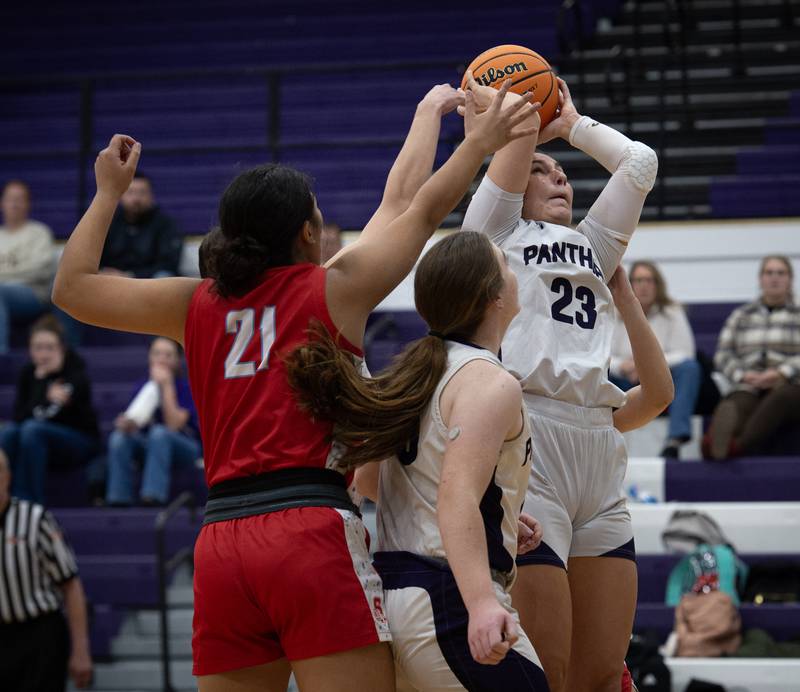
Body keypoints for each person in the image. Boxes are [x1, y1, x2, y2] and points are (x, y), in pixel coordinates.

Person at [51, 81, 537, 691]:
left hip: (222, 542)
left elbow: (71, 289)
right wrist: (476, 145)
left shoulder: (192, 303)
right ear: (308, 232)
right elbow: (418, 210)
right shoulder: (334, 291)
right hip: (308, 529)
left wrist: (107, 193)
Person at [461, 73, 660, 692]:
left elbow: (639, 163)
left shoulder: (594, 248)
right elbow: (517, 137)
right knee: (549, 672)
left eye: (564, 171)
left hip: (599, 445)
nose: (560, 178)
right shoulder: (493, 236)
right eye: (542, 170)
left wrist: (572, 125)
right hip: (531, 440)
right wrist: (522, 115)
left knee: (600, 676)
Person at [287, 231, 550, 690]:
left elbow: (373, 480)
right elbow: (456, 497)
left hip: (399, 598)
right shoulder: (489, 381)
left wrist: (498, 512)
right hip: (447, 596)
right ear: (492, 297)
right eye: (505, 265)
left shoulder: (418, 371)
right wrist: (482, 603)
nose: (514, 273)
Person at [0, 448, 93, 691]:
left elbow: (70, 584)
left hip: (39, 635)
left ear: (7, 477)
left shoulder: (35, 519)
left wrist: (80, 649)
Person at [708, 255, 800, 459]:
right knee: (735, 404)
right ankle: (717, 440)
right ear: (760, 279)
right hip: (748, 383)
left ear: (790, 279)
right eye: (769, 273)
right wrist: (742, 375)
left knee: (780, 399)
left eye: (781, 273)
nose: (774, 278)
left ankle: (733, 446)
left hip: (790, 385)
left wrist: (781, 372)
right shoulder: (741, 315)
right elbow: (722, 355)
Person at [0, 315, 99, 504]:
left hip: (77, 441)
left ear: (61, 348)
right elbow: (19, 417)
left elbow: (74, 418)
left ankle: (28, 502)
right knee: (9, 433)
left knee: (32, 429)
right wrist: (42, 386)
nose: (44, 354)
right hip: (36, 440)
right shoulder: (28, 374)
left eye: (49, 348)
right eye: (38, 348)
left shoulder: (75, 371)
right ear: (30, 349)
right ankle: (5, 497)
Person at [610, 260, 701, 457]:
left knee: (690, 369)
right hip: (624, 380)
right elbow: (603, 355)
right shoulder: (613, 311)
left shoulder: (672, 312)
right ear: (630, 283)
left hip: (661, 381)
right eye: (638, 280)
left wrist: (646, 367)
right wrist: (623, 366)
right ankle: (604, 434)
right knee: (600, 373)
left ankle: (675, 439)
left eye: (649, 280)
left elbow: (685, 353)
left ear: (657, 285)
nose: (644, 285)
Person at [105, 337, 201, 506]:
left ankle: (153, 496)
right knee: (119, 437)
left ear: (178, 360)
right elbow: (138, 421)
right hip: (150, 444)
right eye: (157, 354)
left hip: (186, 446)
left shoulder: (188, 387)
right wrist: (127, 424)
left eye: (168, 355)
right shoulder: (142, 386)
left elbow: (174, 425)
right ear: (149, 357)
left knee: (159, 433)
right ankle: (119, 498)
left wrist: (167, 386)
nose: (162, 359)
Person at [0, 180, 55, 354]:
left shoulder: (39, 233)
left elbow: (40, 271)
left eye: (19, 199)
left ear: (28, 204)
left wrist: (4, 277)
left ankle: (2, 354)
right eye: (10, 199)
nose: (14, 204)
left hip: (33, 294)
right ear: (2, 203)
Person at [99, 172, 183, 278]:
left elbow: (169, 263)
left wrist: (130, 275)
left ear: (151, 196)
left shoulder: (165, 224)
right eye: (130, 192)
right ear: (121, 195)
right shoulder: (108, 223)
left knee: (164, 275)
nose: (136, 199)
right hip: (112, 279)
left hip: (148, 280)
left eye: (142, 193)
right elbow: (94, 257)